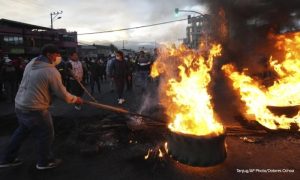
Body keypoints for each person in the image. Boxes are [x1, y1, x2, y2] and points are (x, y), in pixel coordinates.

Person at [0, 44, 83, 170]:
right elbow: (62, 94)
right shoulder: (50, 71)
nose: (58, 57)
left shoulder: (32, 63)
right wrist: (76, 99)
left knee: (22, 131)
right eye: (57, 55)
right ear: (49, 54)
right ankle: (44, 161)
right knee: (46, 134)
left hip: (20, 105)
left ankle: (6, 159)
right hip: (35, 108)